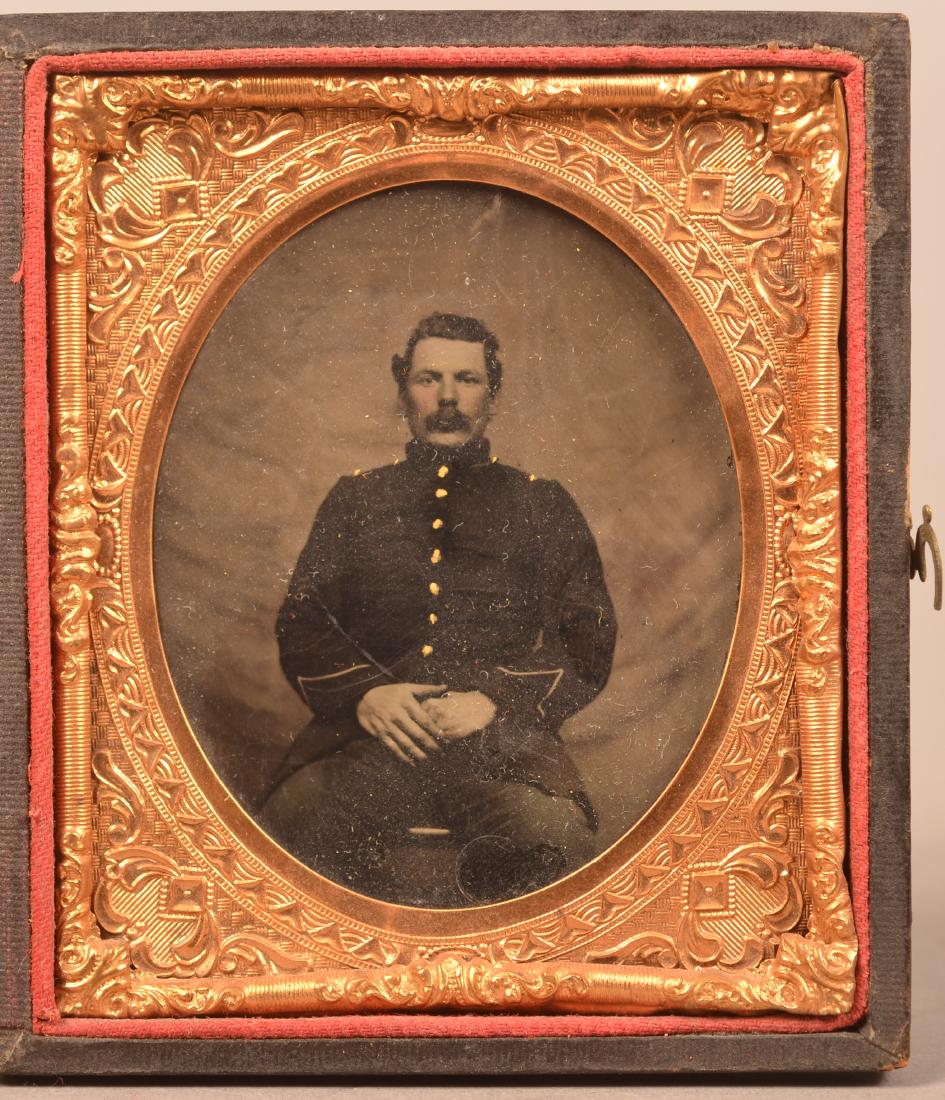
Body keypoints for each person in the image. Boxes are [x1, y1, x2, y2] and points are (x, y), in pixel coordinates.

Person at [259, 313, 617, 905]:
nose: (448, 398)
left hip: (499, 743)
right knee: (289, 837)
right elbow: (304, 623)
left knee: (555, 846)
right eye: (429, 379)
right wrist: (366, 695)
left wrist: (494, 698)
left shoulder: (540, 503)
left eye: (467, 380)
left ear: (493, 394)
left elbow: (588, 637)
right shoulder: (354, 500)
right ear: (404, 389)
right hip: (366, 738)